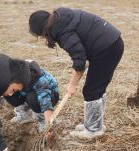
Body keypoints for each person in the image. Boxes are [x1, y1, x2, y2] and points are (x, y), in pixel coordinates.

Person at [28, 8, 124, 140]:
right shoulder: (60, 17)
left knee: (92, 90)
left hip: (107, 49)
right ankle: (94, 124)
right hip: (110, 43)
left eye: (42, 36)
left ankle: (94, 130)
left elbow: (79, 60)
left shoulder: (62, 32)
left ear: (44, 30)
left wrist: (72, 85)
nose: (43, 38)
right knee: (97, 88)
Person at [5, 60, 60, 132]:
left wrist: (48, 126)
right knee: (6, 90)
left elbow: (45, 103)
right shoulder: (15, 72)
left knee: (32, 97)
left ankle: (42, 119)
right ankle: (25, 114)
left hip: (50, 96)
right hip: (26, 91)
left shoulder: (40, 81)